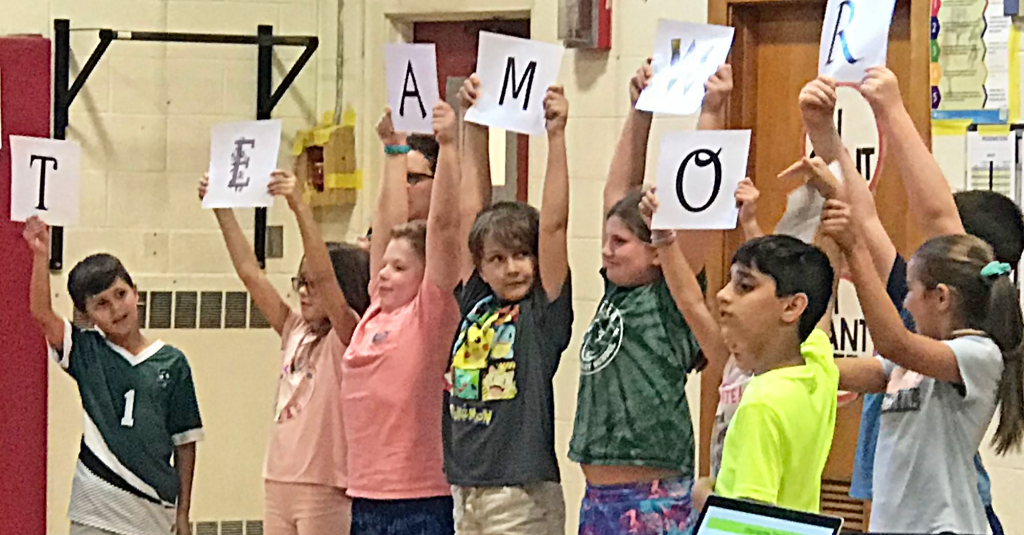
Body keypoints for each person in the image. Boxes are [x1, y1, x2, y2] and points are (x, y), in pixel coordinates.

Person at [805, 68, 1022, 533]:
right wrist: (824, 132)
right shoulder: (923, 318)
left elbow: (893, 341)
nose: (905, 296)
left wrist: (892, 108)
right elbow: (863, 216)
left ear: (944, 293)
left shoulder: (976, 349)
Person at [567, 59, 732, 533]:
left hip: (655, 497)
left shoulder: (669, 295)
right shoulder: (614, 292)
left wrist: (711, 110)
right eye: (606, 240)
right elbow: (615, 194)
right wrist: (640, 111)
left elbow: (699, 204)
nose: (606, 250)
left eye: (620, 243)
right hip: (597, 498)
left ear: (658, 250)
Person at [199, 170, 370, 535]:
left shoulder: (348, 335)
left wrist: (298, 207)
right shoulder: (294, 328)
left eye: (313, 284)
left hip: (325, 484)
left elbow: (327, 277)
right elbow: (250, 274)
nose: (305, 292)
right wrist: (221, 208)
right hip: (278, 479)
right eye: (300, 283)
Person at [441, 76, 573, 535]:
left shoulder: (542, 313)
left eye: (523, 255)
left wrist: (556, 136)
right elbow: (468, 215)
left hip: (520, 496)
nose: (514, 268)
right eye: (499, 259)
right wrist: (472, 123)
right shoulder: (477, 299)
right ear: (481, 265)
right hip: (466, 491)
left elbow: (554, 225)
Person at [23, 217, 203, 535]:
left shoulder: (173, 363)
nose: (116, 309)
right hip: (96, 510)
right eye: (101, 304)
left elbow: (185, 443)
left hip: (154, 512)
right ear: (87, 316)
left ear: (136, 292)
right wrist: (40, 256)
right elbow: (41, 313)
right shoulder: (86, 352)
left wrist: (184, 512)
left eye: (120, 294)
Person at [342, 102, 462, 535]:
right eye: (384, 265)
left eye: (399, 268)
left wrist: (448, 147)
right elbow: (388, 224)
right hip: (365, 497)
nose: (385, 274)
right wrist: (393, 150)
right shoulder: (376, 309)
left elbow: (446, 228)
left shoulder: (428, 314)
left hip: (418, 501)